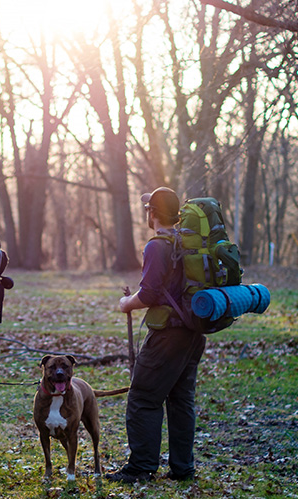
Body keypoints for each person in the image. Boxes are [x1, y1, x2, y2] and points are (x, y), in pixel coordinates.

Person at [106, 186, 206, 484]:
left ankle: (141, 468)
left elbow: (148, 294)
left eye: (147, 208)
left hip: (168, 335)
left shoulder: (157, 246)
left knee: (143, 397)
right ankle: (182, 469)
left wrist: (126, 303)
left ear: (152, 212)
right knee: (180, 400)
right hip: (193, 332)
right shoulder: (187, 242)